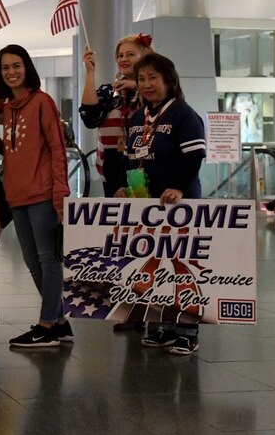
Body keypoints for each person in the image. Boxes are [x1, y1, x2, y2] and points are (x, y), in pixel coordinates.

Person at [117, 53, 207, 355]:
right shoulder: (137, 117)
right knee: (154, 268)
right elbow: (132, 159)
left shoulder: (183, 114)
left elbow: (195, 157)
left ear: (169, 80)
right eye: (141, 79)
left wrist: (179, 187)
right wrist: (125, 189)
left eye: (153, 78)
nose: (146, 84)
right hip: (148, 208)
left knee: (182, 266)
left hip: (180, 206)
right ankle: (164, 326)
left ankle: (187, 330)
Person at [0, 45, 73, 349]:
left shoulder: (42, 102)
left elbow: (56, 148)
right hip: (17, 195)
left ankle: (47, 324)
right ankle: (60, 321)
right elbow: (16, 149)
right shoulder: (9, 108)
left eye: (17, 65)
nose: (11, 72)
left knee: (48, 260)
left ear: (27, 67)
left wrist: (60, 192)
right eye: (5, 68)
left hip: (41, 194)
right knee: (31, 260)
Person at [79, 34, 154, 198]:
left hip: (142, 160)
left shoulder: (153, 91)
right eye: (120, 55)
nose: (123, 59)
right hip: (111, 162)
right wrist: (90, 72)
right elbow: (90, 117)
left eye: (130, 54)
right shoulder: (109, 91)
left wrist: (137, 86)